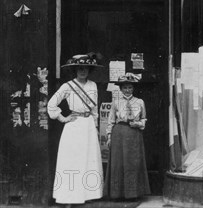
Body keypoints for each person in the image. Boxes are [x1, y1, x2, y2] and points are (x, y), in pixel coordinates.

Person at [47, 53, 103, 206]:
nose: (82, 71)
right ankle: (69, 197)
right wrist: (63, 118)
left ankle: (88, 193)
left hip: (89, 125)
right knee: (72, 160)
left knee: (89, 159)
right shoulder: (68, 86)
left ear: (89, 70)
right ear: (75, 70)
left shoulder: (93, 85)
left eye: (85, 68)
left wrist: (96, 126)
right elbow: (52, 104)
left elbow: (95, 109)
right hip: (74, 124)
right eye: (79, 69)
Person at [104, 72, 151, 200]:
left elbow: (144, 118)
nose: (127, 90)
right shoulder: (116, 102)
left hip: (134, 134)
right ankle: (117, 194)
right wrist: (109, 136)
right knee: (118, 163)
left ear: (133, 88)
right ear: (120, 89)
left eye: (130, 87)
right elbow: (111, 120)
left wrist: (138, 124)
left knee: (133, 163)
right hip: (119, 133)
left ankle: (133, 193)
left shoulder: (140, 102)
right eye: (125, 87)